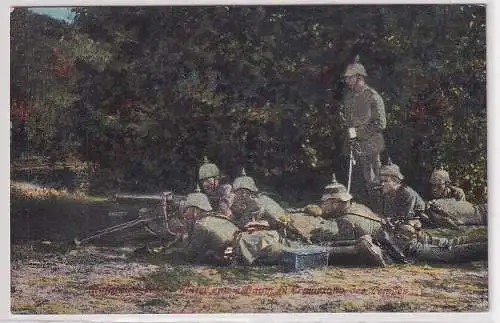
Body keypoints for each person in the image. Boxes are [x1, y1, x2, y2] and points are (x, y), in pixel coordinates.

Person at [318, 180, 408, 266]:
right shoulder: (359, 207)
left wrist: (326, 239)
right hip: (393, 240)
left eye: (326, 203)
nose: (323, 206)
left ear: (335, 203)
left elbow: (346, 242)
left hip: (388, 249)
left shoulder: (345, 220)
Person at [340, 55, 386, 211]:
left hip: (371, 145)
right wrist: (352, 136)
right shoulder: (349, 98)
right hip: (355, 145)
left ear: (359, 77)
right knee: (360, 181)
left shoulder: (373, 96)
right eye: (346, 78)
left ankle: (381, 211)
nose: (347, 81)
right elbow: (349, 121)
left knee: (376, 181)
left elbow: (380, 123)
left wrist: (359, 134)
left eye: (350, 78)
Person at [379, 159, 426, 230]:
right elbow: (387, 213)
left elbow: (407, 215)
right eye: (381, 181)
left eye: (385, 181)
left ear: (395, 181)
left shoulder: (407, 193)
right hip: (399, 220)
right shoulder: (387, 194)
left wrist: (392, 220)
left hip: (418, 218)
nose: (382, 184)